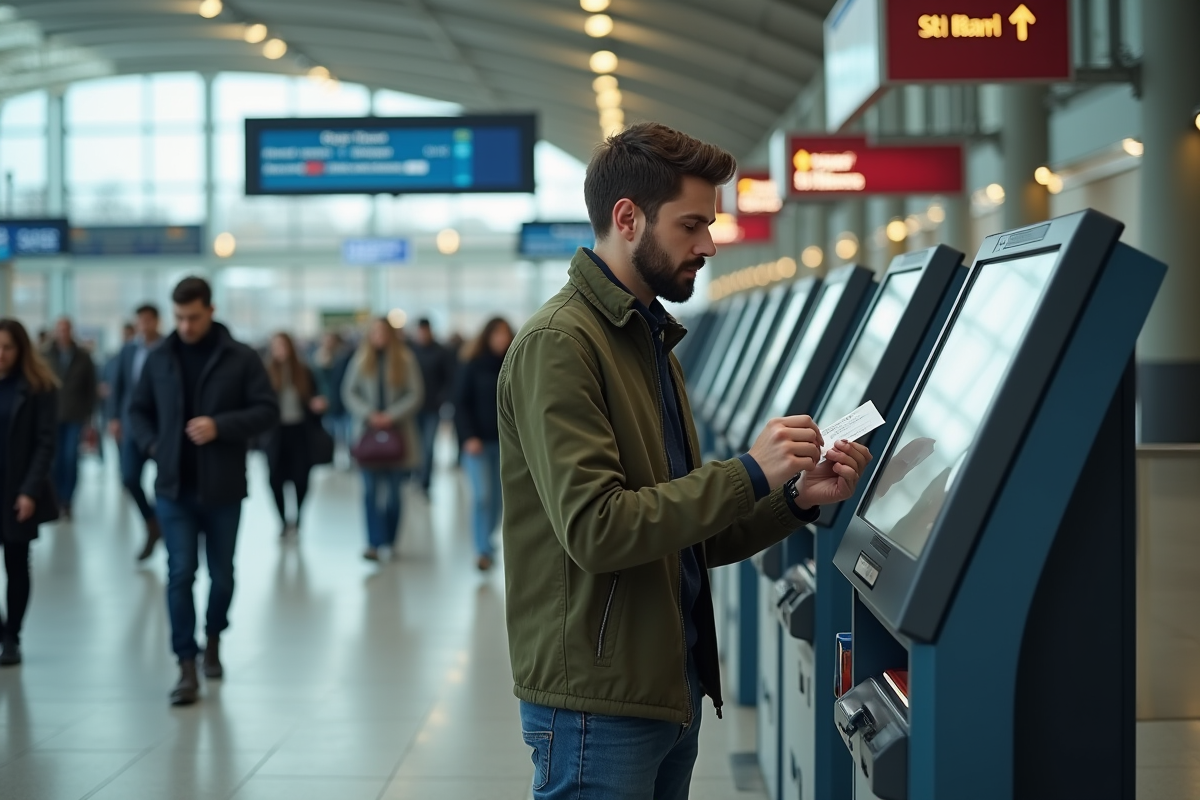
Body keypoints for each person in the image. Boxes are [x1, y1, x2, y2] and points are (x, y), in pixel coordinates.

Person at [498, 123, 873, 800]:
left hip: (667, 689)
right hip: (597, 705)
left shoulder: (650, 344)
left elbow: (688, 532)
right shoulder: (561, 345)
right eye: (692, 224)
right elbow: (598, 529)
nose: (707, 244)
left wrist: (793, 499)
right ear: (627, 217)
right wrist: (749, 472)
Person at [128, 277, 278, 706]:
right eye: (178, 318)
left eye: (193, 317)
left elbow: (267, 410)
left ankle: (214, 638)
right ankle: (185, 664)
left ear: (211, 310)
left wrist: (221, 426)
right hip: (174, 488)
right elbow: (137, 410)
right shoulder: (160, 357)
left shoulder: (241, 357)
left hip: (223, 487)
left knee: (222, 574)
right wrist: (155, 445)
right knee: (179, 573)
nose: (186, 326)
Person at [0, 319, 59, 667]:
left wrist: (29, 491)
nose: (1, 355)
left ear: (21, 350)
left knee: (16, 563)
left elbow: (45, 442)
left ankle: (12, 636)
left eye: (7, 347)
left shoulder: (39, 387)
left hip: (17, 489)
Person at [341, 317, 423, 562]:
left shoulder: (405, 359)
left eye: (383, 332)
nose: (379, 336)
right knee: (369, 492)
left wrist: (391, 415)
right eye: (375, 332)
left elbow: (415, 393)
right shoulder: (360, 360)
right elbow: (349, 392)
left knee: (394, 493)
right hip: (368, 435)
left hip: (397, 434)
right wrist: (369, 414)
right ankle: (373, 543)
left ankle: (390, 539)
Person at [454, 317, 513, 572]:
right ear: (487, 336)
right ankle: (482, 551)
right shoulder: (473, 365)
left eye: (505, 334)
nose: (501, 339)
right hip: (477, 444)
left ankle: (487, 540)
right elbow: (460, 404)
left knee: (499, 501)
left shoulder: (514, 363)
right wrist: (468, 436)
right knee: (482, 496)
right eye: (497, 334)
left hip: (505, 444)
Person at [107, 305, 164, 561]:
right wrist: (114, 418)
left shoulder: (166, 348)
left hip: (161, 427)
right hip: (132, 426)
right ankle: (152, 521)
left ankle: (167, 526)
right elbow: (117, 385)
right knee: (129, 477)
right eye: (140, 321)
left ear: (157, 322)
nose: (144, 325)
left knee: (166, 482)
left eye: (149, 320)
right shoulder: (129, 349)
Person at [263, 332, 328, 537]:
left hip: (300, 431)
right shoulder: (266, 373)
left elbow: (316, 396)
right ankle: (282, 520)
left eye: (283, 346)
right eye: (276, 346)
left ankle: (299, 517)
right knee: (275, 478)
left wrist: (317, 404)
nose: (279, 350)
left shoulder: (304, 371)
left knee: (301, 477)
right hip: (275, 433)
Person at [42, 317, 97, 518]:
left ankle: (67, 499)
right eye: (60, 329)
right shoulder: (45, 354)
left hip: (75, 415)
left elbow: (91, 389)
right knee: (54, 460)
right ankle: (55, 499)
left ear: (71, 331)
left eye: (67, 329)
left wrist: (90, 417)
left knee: (70, 457)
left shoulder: (83, 356)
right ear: (55, 331)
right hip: (51, 416)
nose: (63, 333)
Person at [409, 318, 454, 495]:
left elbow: (449, 378)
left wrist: (442, 398)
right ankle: (414, 474)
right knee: (414, 444)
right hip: (412, 408)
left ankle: (425, 481)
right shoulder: (410, 351)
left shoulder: (441, 352)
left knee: (428, 445)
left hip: (432, 407)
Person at [312, 331, 352, 466]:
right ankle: (331, 459)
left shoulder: (344, 357)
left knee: (346, 435)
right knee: (330, 434)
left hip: (342, 402)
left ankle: (348, 459)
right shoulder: (318, 358)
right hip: (326, 403)